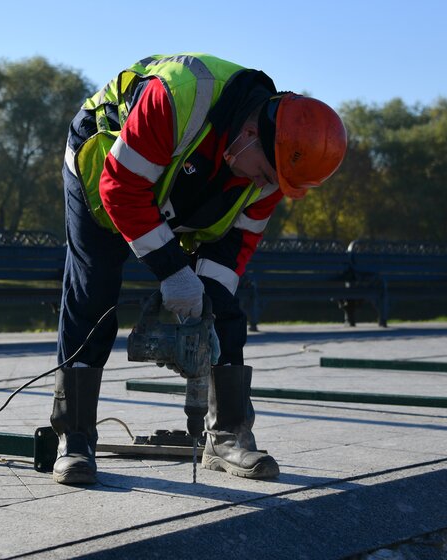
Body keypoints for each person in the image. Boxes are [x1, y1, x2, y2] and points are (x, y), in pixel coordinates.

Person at [51, 53, 347, 485]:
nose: (265, 187)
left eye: (276, 182)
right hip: (105, 165)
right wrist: (173, 272)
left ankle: (227, 436)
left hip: (186, 178)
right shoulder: (178, 98)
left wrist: (202, 305)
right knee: (94, 292)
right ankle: (74, 438)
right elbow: (121, 187)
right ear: (249, 135)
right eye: (265, 173)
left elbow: (233, 251)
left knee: (223, 305)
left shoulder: (276, 167)